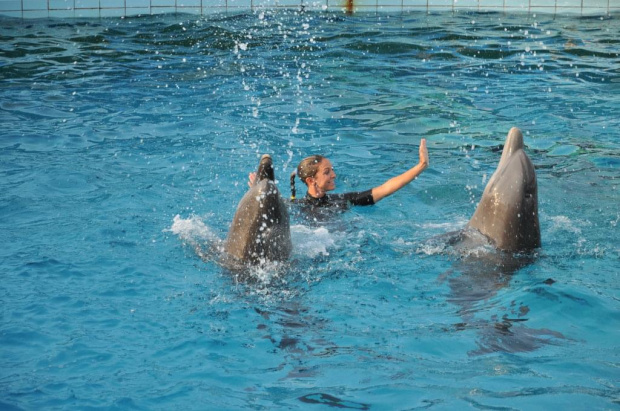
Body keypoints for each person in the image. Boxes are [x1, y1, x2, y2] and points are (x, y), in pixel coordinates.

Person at [248, 139, 429, 211]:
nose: (334, 175)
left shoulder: (343, 199)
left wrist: (420, 166)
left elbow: (386, 188)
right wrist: (258, 192)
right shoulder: (294, 206)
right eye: (327, 172)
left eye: (332, 170)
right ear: (312, 180)